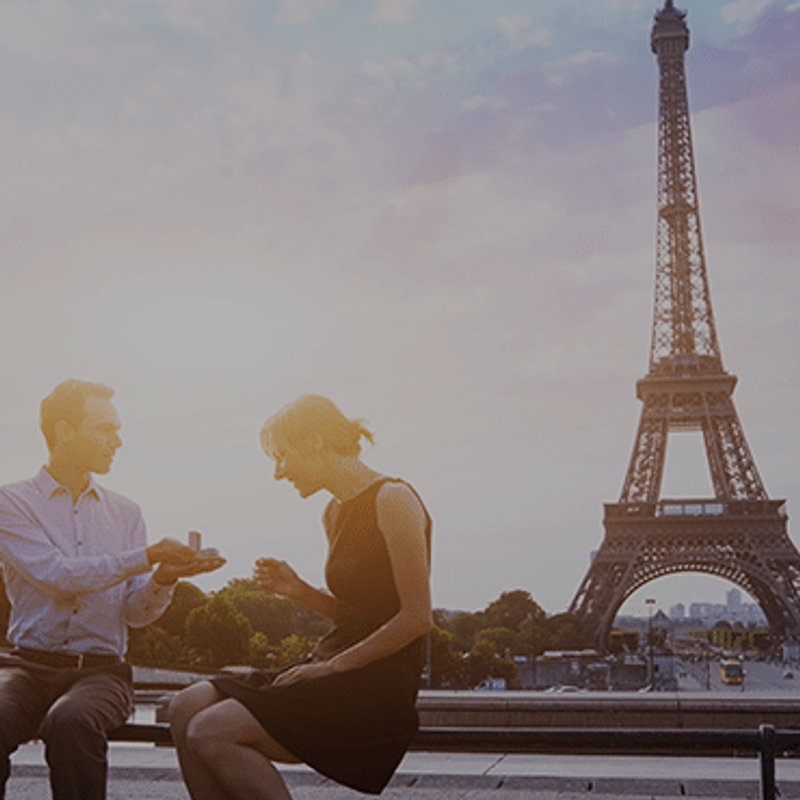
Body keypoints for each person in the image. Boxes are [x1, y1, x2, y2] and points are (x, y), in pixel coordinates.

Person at [169, 394, 433, 799]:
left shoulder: (393, 499)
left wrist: (331, 669)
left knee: (210, 730)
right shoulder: (332, 512)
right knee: (184, 706)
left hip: (375, 683)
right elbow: (356, 616)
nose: (278, 473)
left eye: (281, 456)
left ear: (312, 441)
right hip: (331, 665)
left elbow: (416, 618)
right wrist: (300, 591)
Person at [0, 379, 226, 800]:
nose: (117, 441)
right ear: (64, 430)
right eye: (104, 428)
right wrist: (148, 555)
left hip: (101, 673)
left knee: (71, 721)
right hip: (27, 669)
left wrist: (164, 577)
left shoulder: (126, 513)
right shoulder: (11, 502)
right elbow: (58, 575)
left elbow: (135, 613)